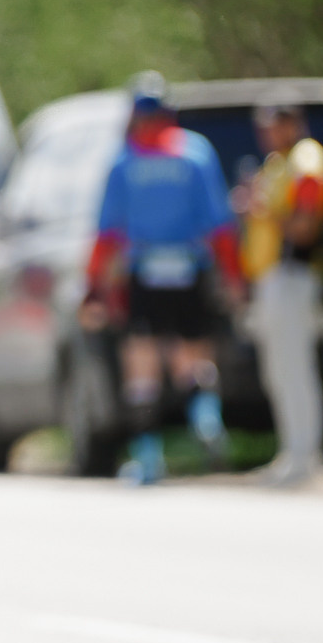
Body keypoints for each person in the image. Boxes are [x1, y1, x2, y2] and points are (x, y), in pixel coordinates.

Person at [83, 74, 240, 485]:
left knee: (142, 365)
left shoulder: (124, 163)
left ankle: (149, 457)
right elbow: (220, 227)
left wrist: (93, 288)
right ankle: (206, 418)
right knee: (193, 358)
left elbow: (107, 236)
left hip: (144, 270)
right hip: (191, 268)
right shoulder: (196, 155)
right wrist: (234, 277)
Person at [241, 103, 323, 487]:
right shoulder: (278, 162)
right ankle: (291, 452)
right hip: (272, 278)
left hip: (294, 273)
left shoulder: (307, 160)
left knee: (294, 366)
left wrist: (263, 210)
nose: (266, 133)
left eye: (274, 125)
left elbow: (305, 226)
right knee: (278, 370)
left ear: (293, 123)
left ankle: (306, 454)